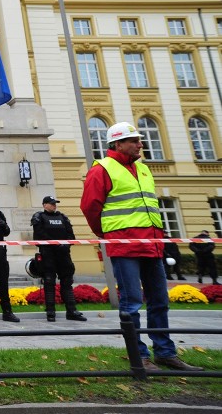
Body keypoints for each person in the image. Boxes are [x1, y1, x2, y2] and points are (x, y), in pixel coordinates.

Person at [81, 121, 202, 371]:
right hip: (125, 247)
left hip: (152, 245)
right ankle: (140, 357)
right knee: (132, 303)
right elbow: (90, 208)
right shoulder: (102, 169)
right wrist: (110, 235)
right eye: (134, 140)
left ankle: (165, 353)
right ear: (118, 143)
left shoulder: (144, 169)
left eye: (139, 139)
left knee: (159, 300)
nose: (140, 144)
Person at [31, 195, 86, 322]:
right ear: (44, 205)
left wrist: (65, 244)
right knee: (49, 282)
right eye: (51, 203)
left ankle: (71, 311)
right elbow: (39, 236)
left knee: (67, 282)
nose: (54, 205)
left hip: (63, 255)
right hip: (48, 254)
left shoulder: (63, 217)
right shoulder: (39, 217)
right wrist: (55, 244)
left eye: (55, 203)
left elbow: (71, 235)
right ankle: (50, 312)